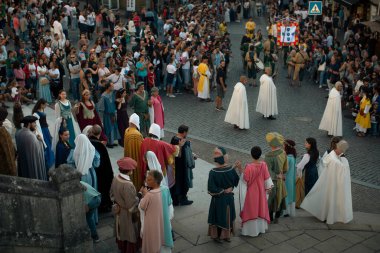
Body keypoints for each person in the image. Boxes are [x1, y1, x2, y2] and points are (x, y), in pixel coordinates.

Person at [301, 140, 353, 224]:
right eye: (342, 151)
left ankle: (325, 214)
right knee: (329, 199)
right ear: (339, 149)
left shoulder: (331, 156)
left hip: (328, 182)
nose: (342, 153)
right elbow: (340, 174)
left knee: (327, 199)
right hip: (332, 184)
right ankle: (327, 215)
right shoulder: (335, 161)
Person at [238, 146, 273, 237]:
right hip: (261, 192)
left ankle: (250, 231)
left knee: (251, 210)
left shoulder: (249, 167)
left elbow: (244, 180)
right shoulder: (264, 165)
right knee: (260, 209)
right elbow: (267, 179)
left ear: (251, 154)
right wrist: (268, 188)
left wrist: (240, 168)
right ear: (260, 154)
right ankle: (261, 228)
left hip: (251, 194)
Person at [208, 147, 240, 242]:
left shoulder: (213, 172)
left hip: (218, 200)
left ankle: (217, 236)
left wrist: (222, 191)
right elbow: (235, 180)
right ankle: (226, 235)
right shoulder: (230, 169)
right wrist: (230, 188)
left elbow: (211, 189)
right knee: (227, 216)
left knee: (218, 216)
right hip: (229, 199)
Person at [144, 151, 174, 252]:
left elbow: (142, 206)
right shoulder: (165, 188)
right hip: (164, 214)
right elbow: (169, 202)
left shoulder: (150, 193)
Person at [110, 157, 140, 253]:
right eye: (132, 169)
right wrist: (139, 196)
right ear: (129, 170)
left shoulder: (115, 178)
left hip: (118, 210)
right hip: (127, 213)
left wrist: (117, 203)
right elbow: (131, 204)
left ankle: (122, 247)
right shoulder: (128, 185)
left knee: (121, 230)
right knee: (129, 232)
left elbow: (111, 194)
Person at [141, 123, 180, 188]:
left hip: (147, 168)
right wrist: (178, 146)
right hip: (159, 170)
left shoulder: (144, 141)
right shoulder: (161, 144)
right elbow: (174, 150)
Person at [88, 125, 114, 213]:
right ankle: (103, 206)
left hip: (91, 172)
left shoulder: (87, 142)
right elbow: (107, 162)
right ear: (100, 133)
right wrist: (111, 175)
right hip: (102, 173)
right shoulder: (100, 145)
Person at [139, 170, 165, 253]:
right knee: (157, 237)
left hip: (150, 222)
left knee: (150, 239)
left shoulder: (149, 195)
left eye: (149, 180)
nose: (146, 181)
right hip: (158, 219)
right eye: (147, 178)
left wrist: (144, 195)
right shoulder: (162, 190)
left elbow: (142, 206)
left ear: (156, 182)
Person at [264, 132, 288, 223]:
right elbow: (286, 168)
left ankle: (270, 217)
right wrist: (281, 174)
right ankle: (277, 216)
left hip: (272, 181)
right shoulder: (283, 153)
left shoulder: (268, 156)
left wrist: (275, 175)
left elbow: (268, 171)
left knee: (271, 199)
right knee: (280, 197)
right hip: (281, 180)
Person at [170, 125, 195, 206]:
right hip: (182, 167)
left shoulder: (174, 138)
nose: (187, 134)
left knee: (175, 184)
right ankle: (183, 200)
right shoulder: (181, 142)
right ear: (184, 132)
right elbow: (180, 155)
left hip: (175, 166)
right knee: (184, 183)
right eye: (187, 132)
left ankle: (176, 200)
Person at [15, 116, 47, 181]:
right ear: (29, 124)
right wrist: (40, 141)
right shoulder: (31, 136)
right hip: (32, 166)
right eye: (34, 123)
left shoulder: (18, 133)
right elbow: (38, 152)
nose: (35, 125)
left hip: (23, 163)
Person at [32, 99, 55, 172]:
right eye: (45, 104)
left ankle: (50, 159)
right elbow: (36, 124)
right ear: (41, 104)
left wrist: (46, 123)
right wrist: (38, 133)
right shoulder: (36, 113)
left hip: (46, 129)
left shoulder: (42, 110)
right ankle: (47, 160)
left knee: (49, 143)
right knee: (46, 144)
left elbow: (43, 120)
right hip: (42, 130)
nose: (45, 106)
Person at [124, 113, 144, 190]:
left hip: (128, 156)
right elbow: (141, 148)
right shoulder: (136, 134)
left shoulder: (127, 130)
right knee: (136, 176)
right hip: (136, 159)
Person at [98, 82, 120, 148]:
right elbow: (100, 107)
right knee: (108, 128)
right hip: (107, 115)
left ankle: (112, 142)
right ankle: (108, 142)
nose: (113, 87)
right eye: (112, 86)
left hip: (113, 114)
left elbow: (113, 102)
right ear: (108, 87)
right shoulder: (103, 96)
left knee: (113, 128)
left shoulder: (112, 94)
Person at [0, 107, 16, 176]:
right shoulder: (2, 132)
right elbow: (8, 152)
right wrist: (13, 172)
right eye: (3, 119)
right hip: (4, 168)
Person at [284, 140, 297, 217]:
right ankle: (289, 211)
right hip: (291, 178)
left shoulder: (288, 158)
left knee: (286, 194)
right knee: (290, 194)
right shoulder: (293, 157)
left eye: (284, 145)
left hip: (287, 178)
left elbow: (285, 169)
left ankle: (286, 212)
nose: (283, 146)